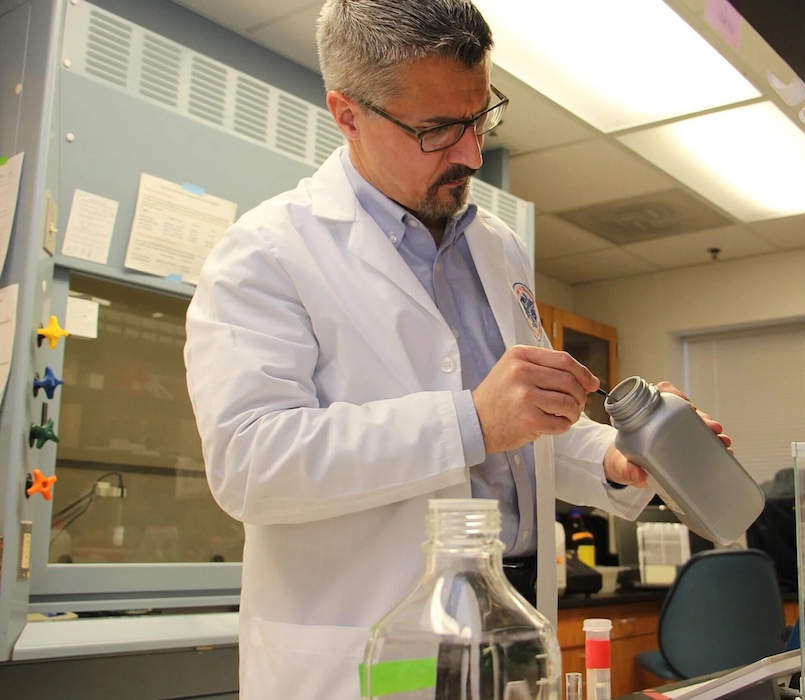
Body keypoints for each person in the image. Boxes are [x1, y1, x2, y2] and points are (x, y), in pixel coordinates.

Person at [183, 1, 729, 698]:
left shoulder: (497, 246)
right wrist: (471, 420)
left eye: (480, 117)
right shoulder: (265, 254)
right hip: (367, 656)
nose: (471, 153)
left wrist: (616, 459)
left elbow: (520, 432)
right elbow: (250, 463)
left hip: (512, 630)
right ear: (348, 115)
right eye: (438, 129)